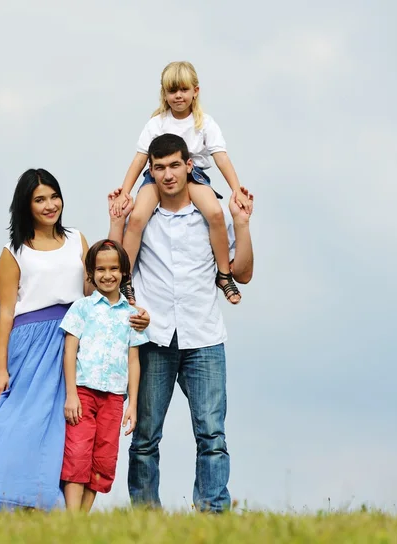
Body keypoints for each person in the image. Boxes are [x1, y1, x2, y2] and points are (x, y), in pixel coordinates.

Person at [0, 169, 149, 512]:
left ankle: (55, 509)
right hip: (31, 343)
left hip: (77, 338)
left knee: (69, 429)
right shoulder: (13, 252)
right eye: (39, 200)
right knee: (20, 420)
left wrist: (114, 224)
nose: (50, 206)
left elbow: (95, 287)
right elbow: (6, 313)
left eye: (53, 196)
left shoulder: (77, 238)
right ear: (26, 205)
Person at [108, 134, 254, 513]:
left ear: (189, 166)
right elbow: (115, 270)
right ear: (150, 172)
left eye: (175, 165)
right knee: (144, 437)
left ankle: (212, 514)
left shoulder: (211, 216)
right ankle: (145, 518)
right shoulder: (143, 219)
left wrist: (243, 224)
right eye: (159, 168)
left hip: (203, 337)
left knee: (212, 435)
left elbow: (243, 272)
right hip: (153, 338)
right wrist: (116, 222)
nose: (168, 174)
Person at [110, 60, 253, 306]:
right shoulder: (157, 123)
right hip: (157, 175)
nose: (178, 96)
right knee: (136, 218)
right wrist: (125, 191)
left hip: (193, 175)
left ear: (195, 91)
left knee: (215, 214)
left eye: (183, 90)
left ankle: (223, 273)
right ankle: (126, 279)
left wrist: (236, 189)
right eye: (172, 91)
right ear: (164, 94)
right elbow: (140, 159)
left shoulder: (204, 123)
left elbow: (221, 157)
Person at [59, 239, 149, 512]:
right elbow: (69, 352)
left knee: (104, 459)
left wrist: (132, 403)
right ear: (91, 273)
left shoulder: (133, 315)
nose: (107, 275)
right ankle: (71, 519)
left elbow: (134, 361)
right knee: (77, 454)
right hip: (84, 394)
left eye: (113, 268)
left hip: (114, 398)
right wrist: (71, 394)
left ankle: (82, 520)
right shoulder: (82, 308)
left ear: (123, 273)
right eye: (100, 269)